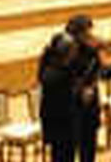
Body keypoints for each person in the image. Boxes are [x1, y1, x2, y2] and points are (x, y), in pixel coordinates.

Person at [66, 15, 111, 162]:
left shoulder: (91, 52)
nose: (90, 35)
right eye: (86, 32)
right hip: (71, 110)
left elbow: (101, 73)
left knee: (88, 152)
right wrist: (80, 91)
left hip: (90, 109)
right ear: (75, 34)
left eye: (89, 31)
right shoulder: (64, 53)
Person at [39, 32, 80, 162]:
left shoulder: (59, 66)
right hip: (58, 123)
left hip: (64, 122)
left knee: (66, 155)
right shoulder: (54, 71)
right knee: (61, 156)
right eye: (73, 50)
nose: (75, 53)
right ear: (65, 52)